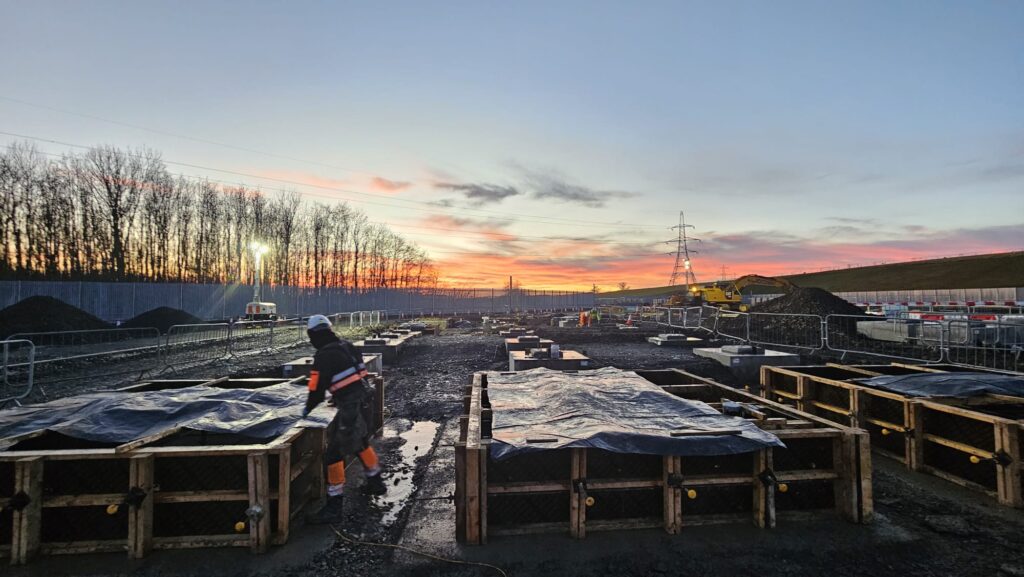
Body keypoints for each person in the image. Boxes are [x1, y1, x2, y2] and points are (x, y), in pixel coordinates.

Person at [302, 314, 386, 524]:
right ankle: (376, 482)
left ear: (313, 334)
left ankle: (334, 505)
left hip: (351, 408)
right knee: (361, 443)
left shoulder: (322, 356)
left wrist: (306, 411)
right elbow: (360, 375)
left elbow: (315, 389)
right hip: (365, 402)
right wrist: (341, 394)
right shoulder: (348, 346)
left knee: (333, 454)